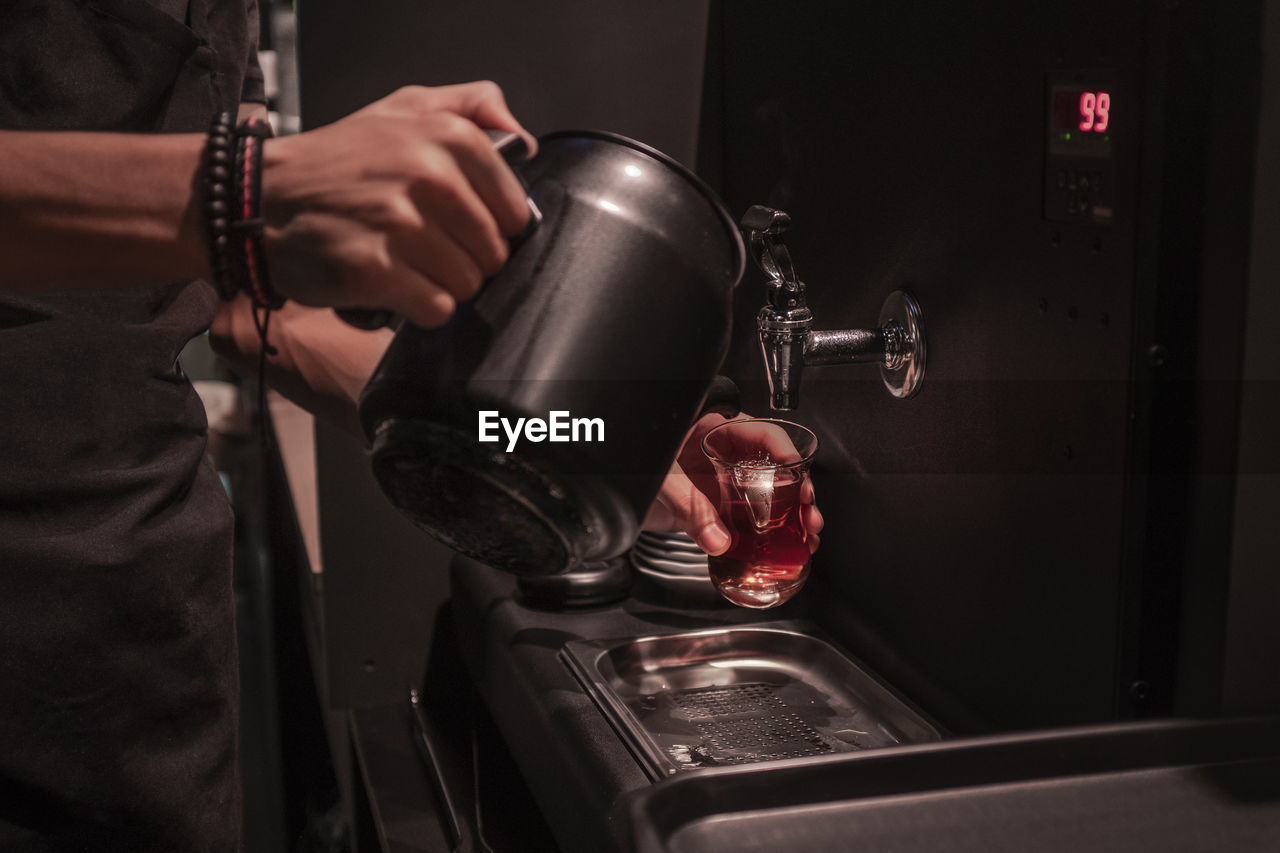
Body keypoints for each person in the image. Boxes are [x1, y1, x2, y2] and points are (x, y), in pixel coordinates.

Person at [0, 0, 822, 848]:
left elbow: (244, 316)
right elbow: (227, 223)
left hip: (141, 604)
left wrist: (574, 439)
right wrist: (242, 196)